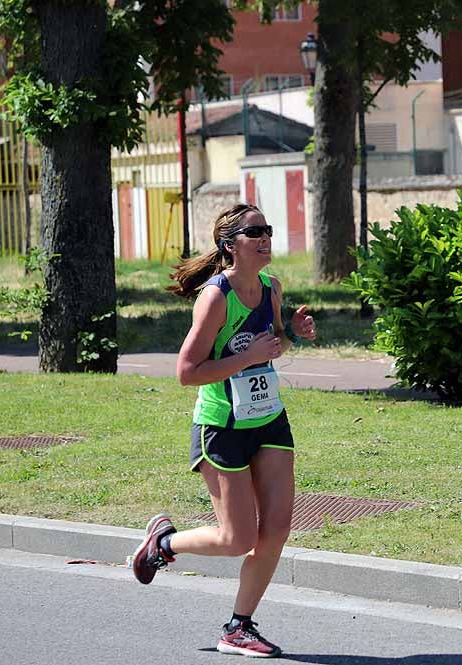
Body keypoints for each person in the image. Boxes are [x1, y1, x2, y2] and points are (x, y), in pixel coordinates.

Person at [131, 203, 316, 658]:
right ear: (230, 245)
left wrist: (291, 332)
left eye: (267, 229)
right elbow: (187, 371)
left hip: (268, 416)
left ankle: (239, 626)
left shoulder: (272, 287)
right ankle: (164, 542)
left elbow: (269, 346)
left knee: (276, 529)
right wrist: (248, 357)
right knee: (238, 539)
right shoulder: (215, 298)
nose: (266, 237)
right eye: (256, 232)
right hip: (222, 425)